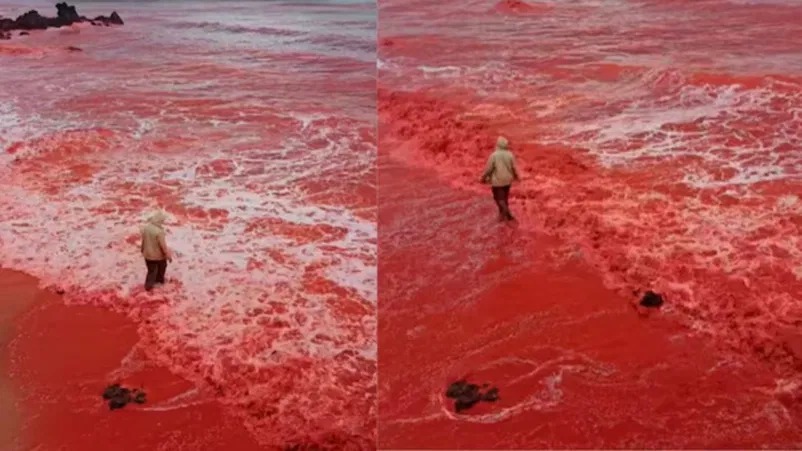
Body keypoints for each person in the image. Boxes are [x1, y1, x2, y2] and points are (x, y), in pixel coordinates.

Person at [480, 136, 519, 221]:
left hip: (497, 181)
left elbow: (489, 169)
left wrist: (483, 178)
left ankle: (508, 214)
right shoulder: (510, 154)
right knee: (505, 198)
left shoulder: (494, 155)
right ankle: (502, 215)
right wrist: (517, 177)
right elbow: (514, 167)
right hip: (508, 180)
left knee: (498, 199)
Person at [140, 210, 172, 291]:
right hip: (157, 256)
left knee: (151, 271)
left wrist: (142, 250)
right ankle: (159, 283)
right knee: (162, 268)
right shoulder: (159, 232)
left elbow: (144, 240)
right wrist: (168, 255)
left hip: (147, 255)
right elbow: (163, 246)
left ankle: (148, 288)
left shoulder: (146, 228)